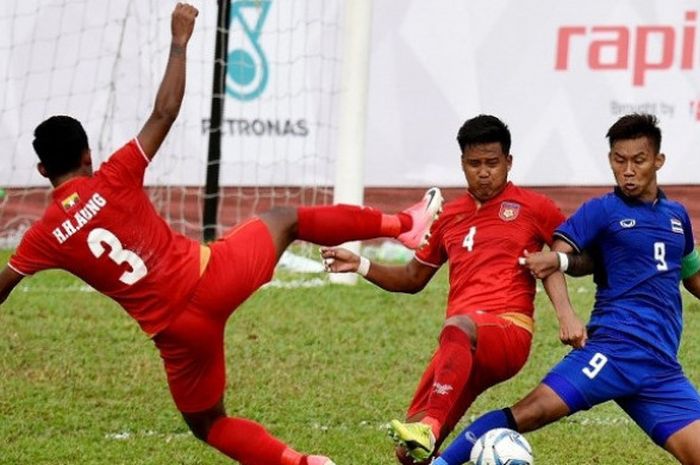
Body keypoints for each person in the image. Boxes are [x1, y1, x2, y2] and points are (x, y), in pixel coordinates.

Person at [0, 4, 445, 465]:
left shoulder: (42, 235)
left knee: (209, 423)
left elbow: (2, 288)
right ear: (88, 155)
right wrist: (179, 39)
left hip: (178, 333)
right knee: (285, 219)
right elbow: (165, 111)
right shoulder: (114, 175)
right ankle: (402, 226)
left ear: (41, 169)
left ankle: (303, 463)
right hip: (214, 277)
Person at [432, 113, 700, 465]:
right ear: (610, 161)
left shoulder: (677, 216)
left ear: (658, 161)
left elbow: (692, 276)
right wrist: (567, 314)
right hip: (612, 351)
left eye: (639, 160)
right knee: (530, 412)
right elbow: (555, 259)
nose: (628, 170)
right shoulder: (602, 211)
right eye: (620, 161)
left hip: (661, 368)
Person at [320, 114, 574, 464]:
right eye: (474, 164)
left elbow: (576, 251)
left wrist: (564, 298)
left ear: (509, 162)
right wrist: (361, 264)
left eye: (492, 163)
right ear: (462, 164)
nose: (483, 172)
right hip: (460, 346)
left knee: (458, 327)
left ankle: (430, 425)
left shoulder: (535, 208)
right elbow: (412, 279)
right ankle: (427, 434)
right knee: (410, 454)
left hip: (506, 332)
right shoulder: (450, 217)